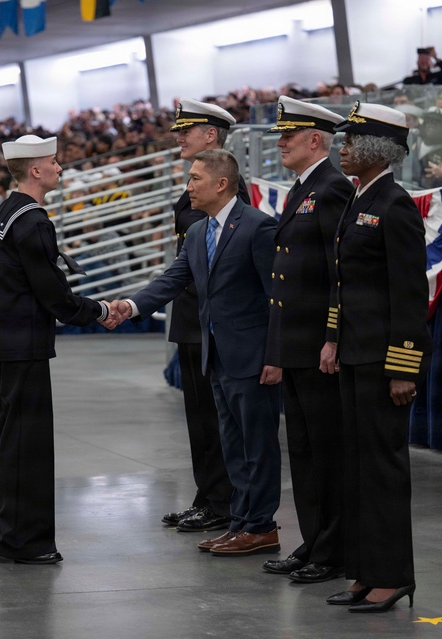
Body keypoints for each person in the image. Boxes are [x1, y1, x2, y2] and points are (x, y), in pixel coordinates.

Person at [111, 149, 282, 558]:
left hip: (253, 357)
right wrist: (131, 306)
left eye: (194, 179)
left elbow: (278, 298)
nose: (188, 187)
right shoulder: (196, 232)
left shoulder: (258, 227)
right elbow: (172, 280)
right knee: (233, 446)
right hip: (217, 356)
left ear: (221, 184)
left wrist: (276, 356)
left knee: (258, 446)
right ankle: (241, 522)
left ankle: (261, 526)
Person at [0, 134, 115, 565]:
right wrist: (101, 310)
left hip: (1, 342)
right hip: (24, 345)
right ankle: (26, 541)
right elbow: (54, 294)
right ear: (35, 170)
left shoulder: (3, 213)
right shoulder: (33, 221)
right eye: (54, 162)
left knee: (8, 441)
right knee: (27, 447)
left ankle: (10, 535)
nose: (59, 168)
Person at [320, 102, 430, 613]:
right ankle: (363, 571)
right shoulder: (360, 198)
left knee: (383, 470)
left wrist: (403, 367)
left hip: (384, 362)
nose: (341, 148)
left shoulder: (395, 204)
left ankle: (392, 575)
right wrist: (334, 340)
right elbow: (346, 286)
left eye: (349, 141)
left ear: (375, 148)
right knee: (357, 468)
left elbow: (408, 294)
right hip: (355, 356)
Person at [261, 97, 353, 583]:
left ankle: (334, 549)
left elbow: (339, 273)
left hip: (318, 344)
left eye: (288, 136)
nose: (280, 143)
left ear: (315, 139)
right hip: (294, 345)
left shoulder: (332, 188)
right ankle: (314, 540)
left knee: (326, 452)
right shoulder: (303, 188)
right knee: (303, 452)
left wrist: (333, 336)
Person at [161, 98, 249, 534]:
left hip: (209, 319)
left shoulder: (227, 187)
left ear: (210, 135)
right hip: (191, 315)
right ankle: (207, 493)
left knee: (213, 416)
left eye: (187, 130)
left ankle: (222, 500)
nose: (179, 136)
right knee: (198, 415)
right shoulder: (196, 184)